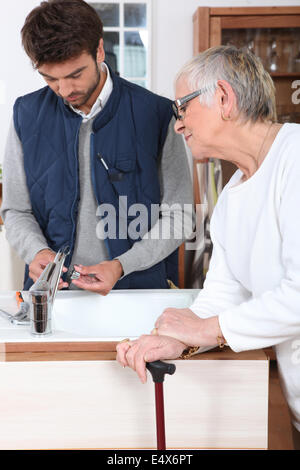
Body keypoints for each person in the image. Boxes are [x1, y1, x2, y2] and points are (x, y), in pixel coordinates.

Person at [116, 45, 300, 449]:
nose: (178, 125)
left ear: (223, 97)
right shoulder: (233, 195)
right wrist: (178, 339)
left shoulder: (296, 159)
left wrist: (203, 329)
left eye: (181, 108)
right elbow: (223, 295)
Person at [1, 0, 193, 294]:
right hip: (53, 299)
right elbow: (16, 210)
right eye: (50, 78)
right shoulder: (25, 115)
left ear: (99, 51)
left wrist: (123, 264)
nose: (64, 90)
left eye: (75, 75)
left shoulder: (156, 114)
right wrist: (36, 252)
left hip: (137, 295)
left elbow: (179, 216)